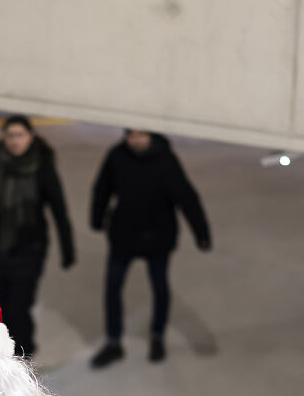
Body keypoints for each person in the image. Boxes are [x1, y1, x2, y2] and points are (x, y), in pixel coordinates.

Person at [89, 129, 212, 367]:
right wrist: (97, 217)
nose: (136, 140)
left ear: (152, 136)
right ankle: (113, 342)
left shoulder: (166, 160)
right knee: (113, 287)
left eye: (141, 135)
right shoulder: (117, 156)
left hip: (158, 236)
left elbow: (187, 197)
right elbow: (102, 188)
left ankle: (157, 336)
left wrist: (202, 234)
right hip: (124, 234)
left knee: (159, 286)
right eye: (131, 135)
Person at [0, 116, 75, 360]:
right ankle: (10, 352)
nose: (15, 140)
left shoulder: (42, 166)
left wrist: (68, 248)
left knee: (19, 305)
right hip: (0, 244)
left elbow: (58, 208)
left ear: (30, 137)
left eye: (20, 135)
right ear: (3, 137)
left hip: (31, 246)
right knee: (5, 305)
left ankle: (24, 354)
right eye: (10, 135)